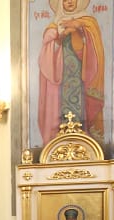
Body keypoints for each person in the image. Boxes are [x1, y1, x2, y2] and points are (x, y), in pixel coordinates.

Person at [38, 0, 104, 143]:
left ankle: (82, 136)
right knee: (59, 104)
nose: (70, 1)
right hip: (61, 76)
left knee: (80, 105)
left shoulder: (88, 22)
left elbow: (93, 45)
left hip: (80, 75)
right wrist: (59, 35)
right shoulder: (55, 25)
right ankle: (58, 137)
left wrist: (78, 27)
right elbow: (49, 48)